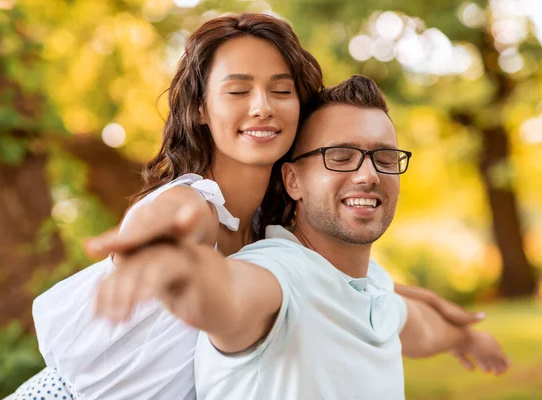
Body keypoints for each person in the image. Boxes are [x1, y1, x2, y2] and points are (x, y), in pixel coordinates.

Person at [10, 13, 486, 400]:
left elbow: (339, 288)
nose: (262, 107)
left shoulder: (266, 224)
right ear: (199, 108)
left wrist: (423, 304)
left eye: (281, 90)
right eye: (238, 91)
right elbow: (170, 234)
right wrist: (155, 252)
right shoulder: (192, 203)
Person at [94, 76, 509, 400]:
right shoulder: (277, 273)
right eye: (340, 157)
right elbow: (226, 294)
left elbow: (417, 327)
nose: (367, 174)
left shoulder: (373, 290)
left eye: (383, 157)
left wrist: (468, 338)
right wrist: (182, 270)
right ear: (293, 180)